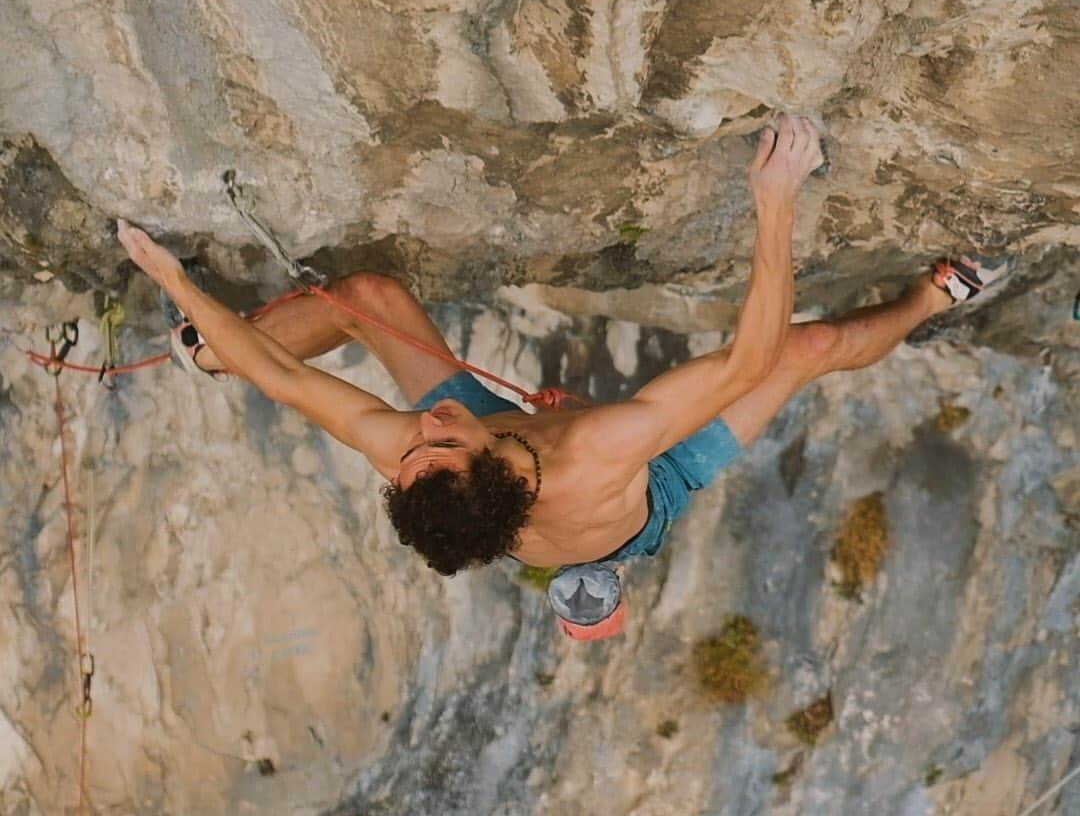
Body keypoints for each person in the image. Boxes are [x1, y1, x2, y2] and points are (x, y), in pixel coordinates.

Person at [116, 115, 1000, 638]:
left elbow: (286, 381)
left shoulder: (424, 460)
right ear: (487, 458)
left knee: (366, 297)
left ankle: (203, 358)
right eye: (436, 437)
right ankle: (933, 300)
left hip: (515, 478)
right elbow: (750, 359)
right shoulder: (599, 447)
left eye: (415, 445)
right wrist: (775, 201)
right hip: (644, 491)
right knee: (805, 352)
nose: (418, 424)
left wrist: (177, 283)